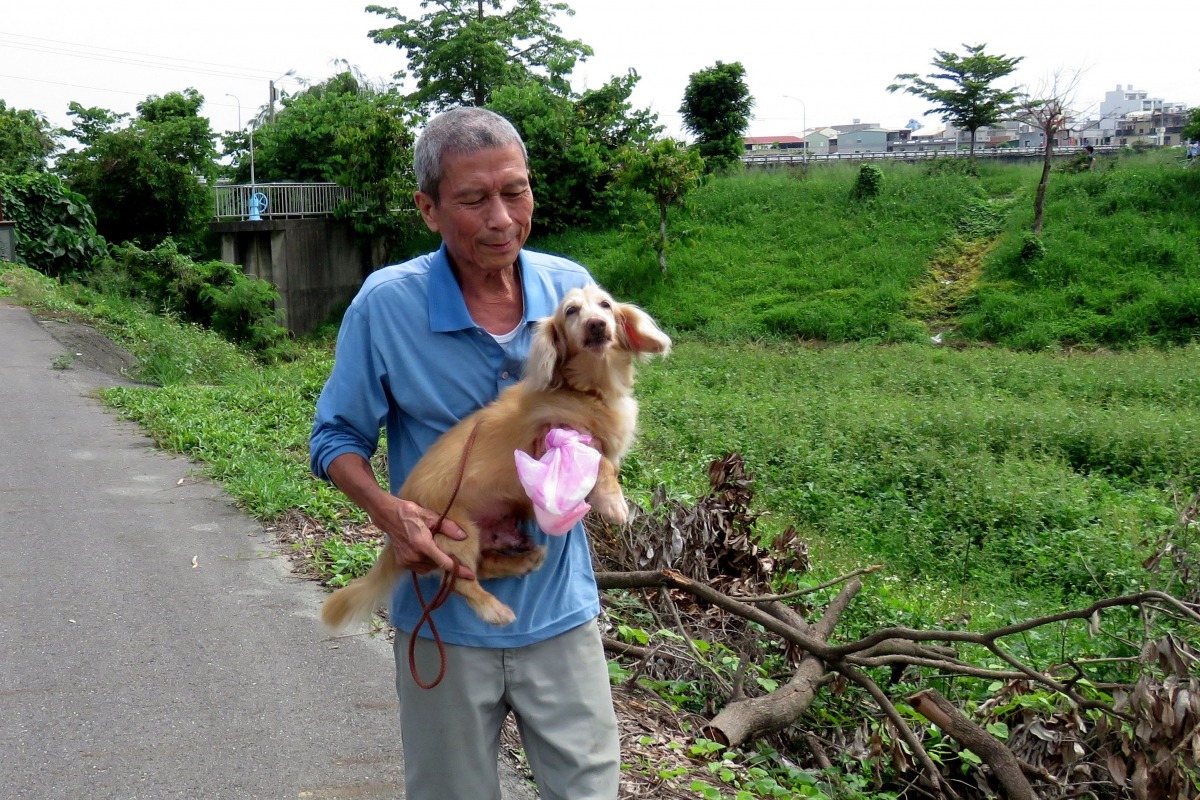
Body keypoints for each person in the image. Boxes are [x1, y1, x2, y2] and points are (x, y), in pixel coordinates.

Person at [309, 107, 620, 799]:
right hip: (444, 616)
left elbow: (606, 405)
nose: (502, 219)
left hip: (560, 612)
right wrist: (393, 515)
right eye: (475, 200)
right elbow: (334, 438)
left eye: (516, 192)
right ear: (429, 209)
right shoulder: (386, 305)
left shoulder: (568, 289)